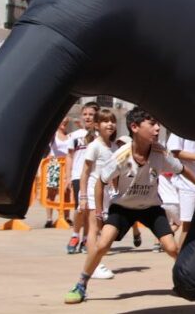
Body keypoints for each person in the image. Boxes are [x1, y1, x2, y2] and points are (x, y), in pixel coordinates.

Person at [63, 108, 195, 305]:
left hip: (151, 208)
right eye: (152, 124)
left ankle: (185, 282)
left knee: (172, 248)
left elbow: (182, 169)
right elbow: (100, 181)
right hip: (123, 207)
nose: (157, 128)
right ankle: (81, 284)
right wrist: (100, 211)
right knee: (102, 244)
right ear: (134, 127)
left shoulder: (160, 152)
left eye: (157, 124)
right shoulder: (121, 155)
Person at [80, 109, 120, 280]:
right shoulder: (94, 146)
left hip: (107, 194)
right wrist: (82, 196)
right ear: (97, 125)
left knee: (103, 228)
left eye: (112, 121)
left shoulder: (114, 147)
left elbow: (116, 173)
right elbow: (85, 172)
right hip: (92, 191)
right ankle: (93, 265)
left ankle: (96, 261)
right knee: (94, 228)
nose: (109, 124)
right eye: (105, 121)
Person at [165, 131, 195, 249]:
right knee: (188, 225)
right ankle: (179, 262)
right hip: (188, 184)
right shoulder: (181, 125)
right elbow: (175, 152)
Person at [67, 102, 99, 254]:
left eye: (91, 114)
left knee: (90, 210)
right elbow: (69, 156)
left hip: (94, 177)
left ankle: (87, 238)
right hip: (78, 176)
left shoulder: (99, 137)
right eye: (85, 114)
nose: (88, 117)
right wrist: (68, 176)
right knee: (80, 209)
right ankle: (75, 235)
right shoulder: (75, 136)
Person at [46, 116, 75, 228]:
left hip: (66, 165)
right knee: (51, 191)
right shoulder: (54, 135)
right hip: (54, 164)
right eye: (62, 121)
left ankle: (66, 217)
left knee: (67, 191)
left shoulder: (70, 136)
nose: (64, 123)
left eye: (66, 122)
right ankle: (49, 219)